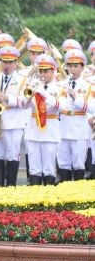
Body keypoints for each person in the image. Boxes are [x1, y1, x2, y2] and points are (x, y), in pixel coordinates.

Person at [23, 54, 66, 185]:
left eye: (46, 71)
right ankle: (34, 201)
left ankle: (48, 201)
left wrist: (44, 93)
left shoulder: (60, 88)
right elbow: (23, 105)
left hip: (50, 131)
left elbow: (61, 106)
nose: (42, 74)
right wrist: (29, 96)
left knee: (49, 168)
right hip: (34, 131)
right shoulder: (34, 85)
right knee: (34, 169)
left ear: (53, 70)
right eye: (40, 71)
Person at [0, 46, 29, 187]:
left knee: (12, 155)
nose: (6, 65)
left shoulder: (22, 80)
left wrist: (7, 98)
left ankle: (11, 186)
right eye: (4, 62)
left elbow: (25, 102)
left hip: (14, 122)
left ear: (16, 63)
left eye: (10, 62)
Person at [57, 49, 92, 181]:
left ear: (82, 67)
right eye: (70, 66)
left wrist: (76, 98)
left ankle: (77, 196)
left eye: (76, 66)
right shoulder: (61, 84)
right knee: (63, 162)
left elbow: (92, 107)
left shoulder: (88, 86)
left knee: (78, 163)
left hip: (79, 127)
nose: (72, 69)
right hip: (64, 126)